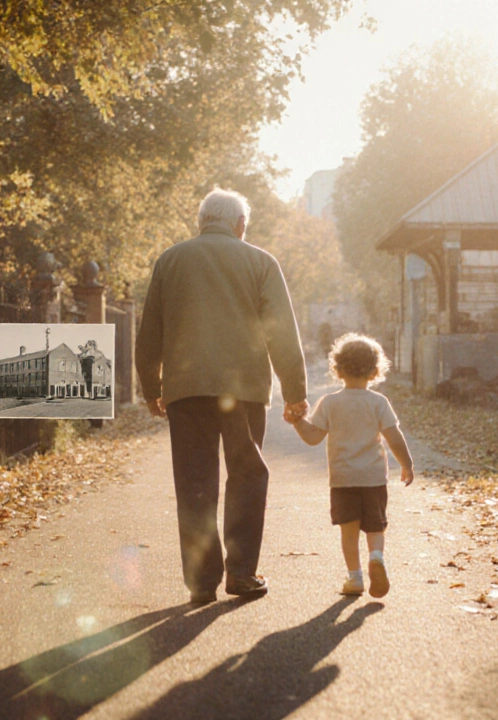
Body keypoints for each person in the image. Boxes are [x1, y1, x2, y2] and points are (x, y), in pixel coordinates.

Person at [136, 187, 308, 605]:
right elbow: (280, 330)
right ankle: (242, 574)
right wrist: (295, 392)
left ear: (202, 222)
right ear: (240, 224)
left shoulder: (171, 261)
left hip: (186, 390)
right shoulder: (261, 262)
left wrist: (151, 388)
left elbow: (150, 332)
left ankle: (201, 581)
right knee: (247, 476)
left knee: (195, 482)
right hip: (244, 390)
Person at [287, 333, 414, 599]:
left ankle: (355, 577)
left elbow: (312, 438)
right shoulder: (379, 402)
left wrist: (298, 421)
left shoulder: (330, 403)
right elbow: (394, 437)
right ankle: (376, 557)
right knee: (376, 527)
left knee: (349, 531)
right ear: (375, 371)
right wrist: (407, 464)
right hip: (373, 478)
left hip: (343, 479)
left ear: (339, 369)